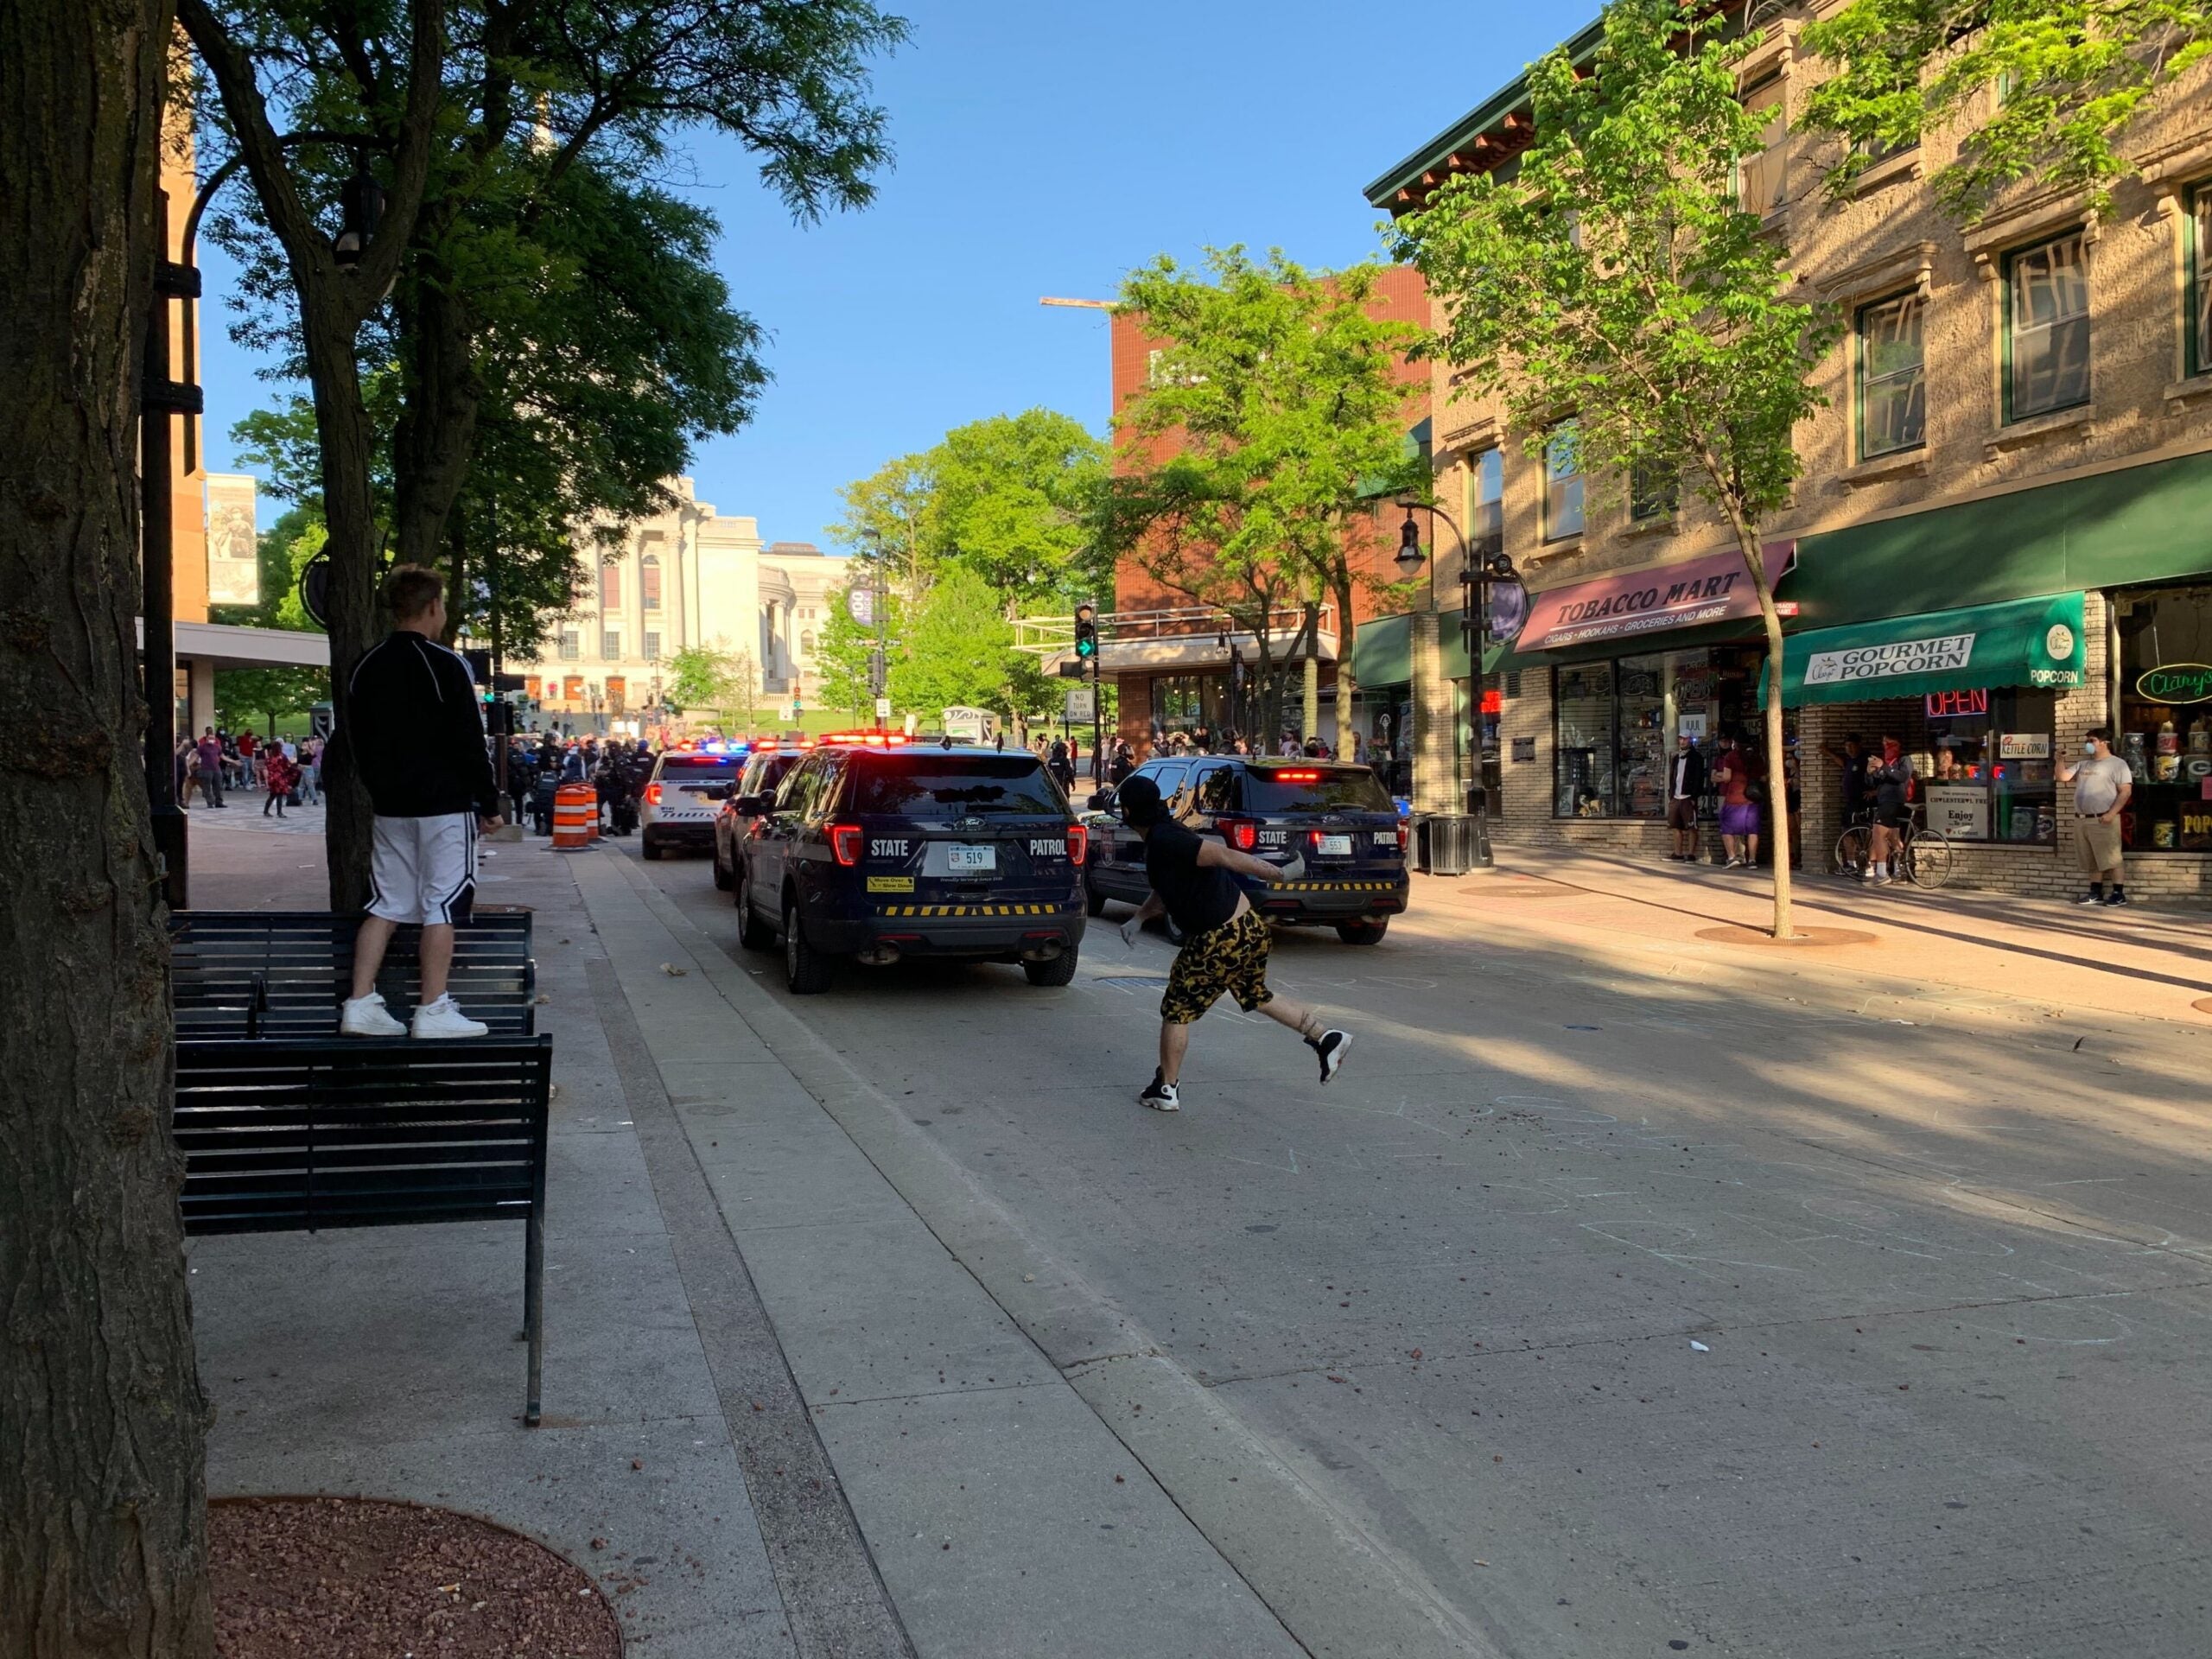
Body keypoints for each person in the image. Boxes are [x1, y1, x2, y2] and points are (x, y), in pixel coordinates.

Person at [1111, 773, 1352, 1112]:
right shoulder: (1163, 841)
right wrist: (1139, 918)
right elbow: (1168, 888)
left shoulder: (1167, 839)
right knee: (1256, 995)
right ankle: (1326, 1038)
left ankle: (1166, 1089)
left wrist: (1279, 873)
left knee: (1177, 1009)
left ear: (1127, 813)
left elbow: (1223, 855)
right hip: (1246, 929)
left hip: (1219, 937)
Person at [333, 564, 504, 1039]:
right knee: (443, 904)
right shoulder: (446, 663)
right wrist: (488, 803)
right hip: (443, 806)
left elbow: (358, 740)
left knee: (386, 903)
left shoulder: (366, 665)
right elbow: (472, 741)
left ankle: (361, 1001)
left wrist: (380, 791)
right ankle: (433, 1008)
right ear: (433, 607)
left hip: (391, 807)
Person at [2058, 727, 2133, 906]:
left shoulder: (2117, 764)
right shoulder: (2084, 764)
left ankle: (2118, 893)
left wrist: (2111, 813)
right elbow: (2063, 777)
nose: (2088, 745)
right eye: (2087, 741)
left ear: (2104, 743)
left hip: (2104, 818)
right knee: (2090, 857)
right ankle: (2095, 891)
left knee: (2112, 858)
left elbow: (2125, 792)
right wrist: (2059, 760)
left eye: (2091, 741)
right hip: (2083, 819)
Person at [1863, 737, 1914, 884]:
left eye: (1889, 744)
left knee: (1878, 834)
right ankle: (1899, 872)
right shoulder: (1885, 763)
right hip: (1884, 801)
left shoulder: (1904, 760)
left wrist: (1884, 766)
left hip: (1894, 801)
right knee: (1893, 836)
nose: (1886, 747)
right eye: (1884, 744)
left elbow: (1902, 776)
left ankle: (1881, 872)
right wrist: (1870, 772)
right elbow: (1874, 782)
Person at [1713, 734, 1758, 868]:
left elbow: (1726, 777)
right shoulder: (1756, 757)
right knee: (1752, 830)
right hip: (1753, 797)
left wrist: (1718, 775)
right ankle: (1752, 860)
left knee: (1726, 827)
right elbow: (1763, 778)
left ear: (1734, 743)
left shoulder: (1731, 756)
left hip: (1735, 796)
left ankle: (1732, 857)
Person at [1665, 733, 1705, 861]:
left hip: (1688, 797)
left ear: (1690, 740)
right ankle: (1678, 853)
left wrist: (1694, 796)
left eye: (1685, 739)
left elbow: (1699, 778)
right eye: (1680, 739)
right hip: (1676, 796)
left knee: (1691, 826)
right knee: (1675, 826)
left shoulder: (1696, 757)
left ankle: (1691, 854)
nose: (1682, 742)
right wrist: (1671, 794)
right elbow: (1672, 777)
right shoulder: (1676, 758)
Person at [194, 728, 227, 808]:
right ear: (207, 737)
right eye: (210, 738)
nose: (212, 739)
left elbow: (222, 756)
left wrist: (233, 761)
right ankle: (210, 802)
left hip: (216, 768)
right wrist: (189, 764)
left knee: (218, 786)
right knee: (207, 786)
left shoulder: (217, 746)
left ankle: (219, 802)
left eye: (213, 738)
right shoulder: (202, 746)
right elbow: (196, 756)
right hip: (206, 768)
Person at [261, 745, 297, 817]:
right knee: (279, 795)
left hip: (271, 778)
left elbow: (267, 766)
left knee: (272, 795)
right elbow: (287, 765)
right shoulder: (282, 756)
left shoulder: (269, 758)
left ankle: (266, 811)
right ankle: (279, 812)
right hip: (279, 778)